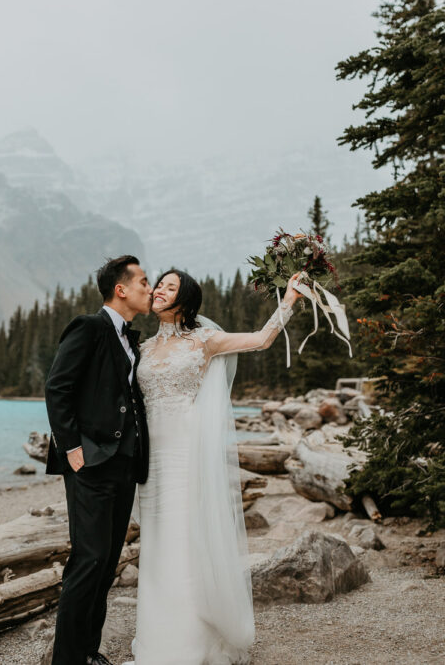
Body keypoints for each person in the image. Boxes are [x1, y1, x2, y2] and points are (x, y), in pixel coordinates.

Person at [124, 268, 302, 665]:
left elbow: (260, 340)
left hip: (187, 454)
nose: (158, 291)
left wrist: (288, 300)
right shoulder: (145, 348)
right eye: (159, 285)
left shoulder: (204, 341)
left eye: (170, 287)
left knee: (184, 541)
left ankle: (189, 646)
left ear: (185, 300)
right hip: (151, 460)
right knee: (156, 544)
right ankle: (156, 640)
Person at [45, 255, 153, 665]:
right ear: (121, 289)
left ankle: (89, 652)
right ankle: (67, 660)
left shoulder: (131, 338)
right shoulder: (88, 327)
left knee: (106, 563)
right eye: (143, 281)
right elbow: (58, 387)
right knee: (87, 560)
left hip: (124, 465)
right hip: (90, 463)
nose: (150, 287)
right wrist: (73, 450)